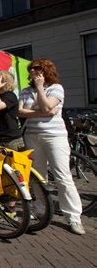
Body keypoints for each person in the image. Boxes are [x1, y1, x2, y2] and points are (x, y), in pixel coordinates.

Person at [18, 59, 85, 235]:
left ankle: (73, 217)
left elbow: (49, 105)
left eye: (37, 68)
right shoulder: (25, 90)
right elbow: (21, 111)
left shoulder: (56, 88)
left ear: (46, 70)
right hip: (32, 135)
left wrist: (40, 88)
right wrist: (43, 112)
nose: (32, 71)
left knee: (62, 175)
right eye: (31, 68)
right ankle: (40, 209)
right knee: (37, 176)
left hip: (55, 136)